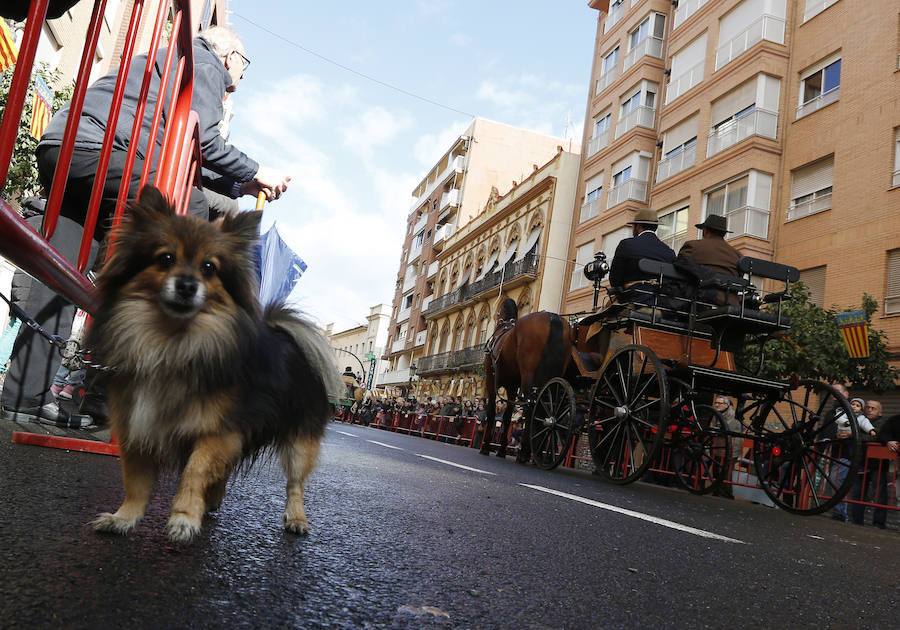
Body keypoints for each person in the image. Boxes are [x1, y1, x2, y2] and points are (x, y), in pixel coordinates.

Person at [1, 26, 290, 427]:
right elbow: (202, 141)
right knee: (187, 208)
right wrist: (259, 170)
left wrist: (242, 182)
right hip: (111, 151)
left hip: (66, 148)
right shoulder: (201, 62)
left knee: (59, 273)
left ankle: (23, 399)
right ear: (231, 58)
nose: (241, 75)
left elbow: (183, 149)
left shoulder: (155, 63)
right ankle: (109, 397)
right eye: (244, 66)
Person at [608, 208, 675, 305]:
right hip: (660, 302)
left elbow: (615, 280)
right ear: (655, 227)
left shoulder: (626, 244)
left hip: (632, 299)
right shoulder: (669, 252)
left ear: (638, 227)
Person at [676, 214, 741, 305]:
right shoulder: (737, 255)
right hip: (731, 304)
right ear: (724, 233)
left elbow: (680, 265)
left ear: (705, 231)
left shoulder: (693, 246)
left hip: (700, 301)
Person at [849, 399, 890, 529]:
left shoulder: (884, 423)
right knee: (857, 493)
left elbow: (878, 436)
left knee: (879, 495)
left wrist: (855, 435)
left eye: (873, 408)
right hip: (861, 462)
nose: (869, 410)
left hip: (878, 464)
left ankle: (879, 523)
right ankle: (856, 521)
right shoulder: (859, 420)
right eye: (867, 407)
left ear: (880, 412)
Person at [712, 395, 740, 499]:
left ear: (727, 405)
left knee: (726, 472)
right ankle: (717, 490)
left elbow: (726, 428)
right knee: (717, 470)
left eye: (720, 403)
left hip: (731, 449)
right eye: (716, 403)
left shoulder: (733, 414)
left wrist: (716, 429)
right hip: (719, 447)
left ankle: (727, 494)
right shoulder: (717, 413)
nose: (717, 405)